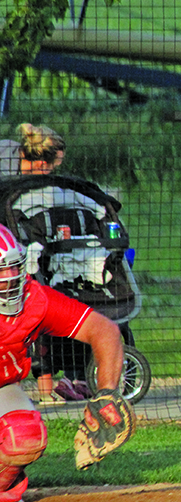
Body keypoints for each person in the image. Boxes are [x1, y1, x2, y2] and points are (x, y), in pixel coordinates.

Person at [0, 224, 126, 502]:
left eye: (13, 267)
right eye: (1, 270)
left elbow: (104, 331)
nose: (9, 278)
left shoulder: (34, 300)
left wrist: (107, 393)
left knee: (24, 435)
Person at [15, 123, 88, 403]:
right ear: (47, 162)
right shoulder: (43, 193)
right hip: (36, 268)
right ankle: (70, 380)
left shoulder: (18, 186)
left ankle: (50, 392)